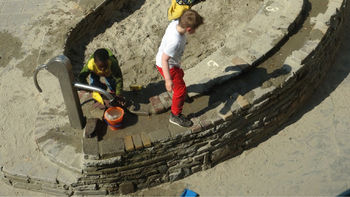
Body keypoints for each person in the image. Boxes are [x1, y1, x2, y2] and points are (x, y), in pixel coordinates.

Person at [156, 10, 204, 127]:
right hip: (168, 66)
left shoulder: (174, 24)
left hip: (173, 64)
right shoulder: (175, 41)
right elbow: (164, 60)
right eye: (194, 29)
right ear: (189, 29)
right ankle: (175, 115)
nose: (195, 31)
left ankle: (182, 97)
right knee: (180, 90)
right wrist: (168, 80)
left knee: (180, 75)